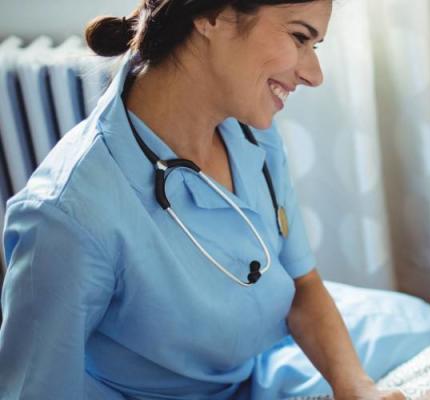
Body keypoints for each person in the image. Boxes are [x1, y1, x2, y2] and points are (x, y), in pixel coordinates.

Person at [0, 1, 403, 399]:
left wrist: (355, 387)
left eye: (314, 46)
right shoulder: (67, 216)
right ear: (212, 15)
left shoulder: (250, 130)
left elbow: (303, 285)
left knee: (421, 335)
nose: (314, 75)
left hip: (255, 371)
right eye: (299, 36)